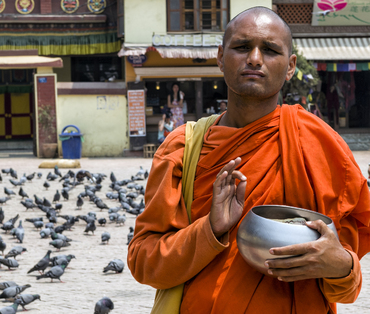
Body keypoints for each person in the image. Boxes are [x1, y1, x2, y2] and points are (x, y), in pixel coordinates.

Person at [128, 6, 370, 314]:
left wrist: (340, 264)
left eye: (269, 50)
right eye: (242, 47)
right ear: (220, 57)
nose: (254, 59)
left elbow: (346, 285)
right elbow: (144, 263)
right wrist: (210, 229)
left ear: (291, 65)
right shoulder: (182, 148)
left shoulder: (319, 145)